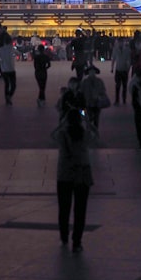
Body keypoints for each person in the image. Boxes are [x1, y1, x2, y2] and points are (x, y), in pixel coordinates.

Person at [51, 105, 96, 252]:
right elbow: (96, 134)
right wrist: (87, 121)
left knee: (64, 208)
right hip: (82, 173)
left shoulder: (62, 134)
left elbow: (52, 134)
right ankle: (77, 242)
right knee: (80, 209)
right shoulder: (85, 135)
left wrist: (62, 123)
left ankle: (64, 237)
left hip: (64, 174)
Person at [79, 64, 108, 132]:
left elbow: (103, 91)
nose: (92, 73)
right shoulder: (85, 82)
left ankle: (95, 132)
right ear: (88, 73)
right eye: (90, 71)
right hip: (87, 104)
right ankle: (89, 132)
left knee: (96, 119)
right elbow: (81, 92)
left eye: (93, 71)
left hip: (97, 103)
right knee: (88, 119)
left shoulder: (99, 81)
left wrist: (99, 96)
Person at [0, 33, 16, 104]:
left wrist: (2, 63)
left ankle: (7, 98)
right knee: (13, 85)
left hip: (4, 69)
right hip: (11, 69)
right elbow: (19, 53)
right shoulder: (12, 49)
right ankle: (9, 96)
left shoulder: (0, 50)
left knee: (7, 84)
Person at [111, 38, 131, 104]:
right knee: (117, 86)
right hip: (118, 69)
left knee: (125, 86)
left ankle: (124, 99)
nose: (121, 43)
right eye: (119, 42)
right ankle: (117, 100)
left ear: (124, 42)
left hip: (125, 70)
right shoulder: (115, 49)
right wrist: (112, 68)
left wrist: (128, 69)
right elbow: (113, 59)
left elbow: (129, 60)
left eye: (122, 42)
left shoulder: (128, 50)